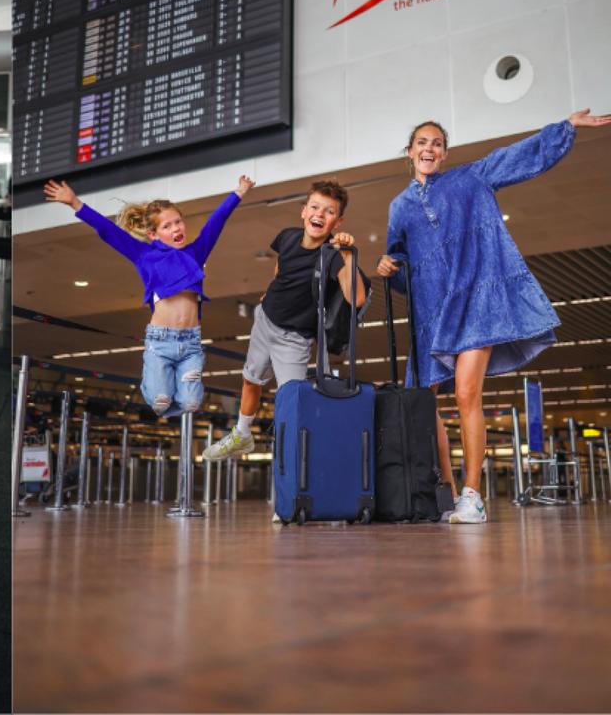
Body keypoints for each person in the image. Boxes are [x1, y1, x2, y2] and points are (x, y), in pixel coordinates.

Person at [376, 111, 611, 524]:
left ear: (444, 154)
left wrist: (565, 128)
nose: (428, 148)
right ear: (410, 152)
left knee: (467, 394)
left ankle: (473, 495)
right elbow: (401, 265)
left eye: (436, 143)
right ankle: (444, 492)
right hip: (432, 313)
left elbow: (516, 157)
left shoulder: (470, 178)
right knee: (424, 404)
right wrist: (388, 267)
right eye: (422, 143)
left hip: (476, 306)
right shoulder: (399, 207)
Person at [43, 174, 252, 417]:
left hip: (191, 343)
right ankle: (154, 385)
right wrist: (75, 203)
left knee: (191, 405)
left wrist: (238, 193)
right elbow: (108, 231)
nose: (176, 228)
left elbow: (216, 222)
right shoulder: (144, 255)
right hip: (160, 342)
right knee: (160, 403)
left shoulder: (196, 253)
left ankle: (174, 390)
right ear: (153, 234)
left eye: (178, 222)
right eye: (167, 226)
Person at [204, 181, 365, 461]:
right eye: (314, 207)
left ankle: (291, 466)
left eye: (329, 212)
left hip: (294, 337)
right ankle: (242, 434)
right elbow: (281, 268)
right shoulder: (287, 237)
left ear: (338, 222)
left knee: (291, 400)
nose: (319, 214)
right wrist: (272, 288)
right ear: (304, 211)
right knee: (250, 379)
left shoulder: (333, 255)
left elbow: (357, 298)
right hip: (265, 319)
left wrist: (348, 255)